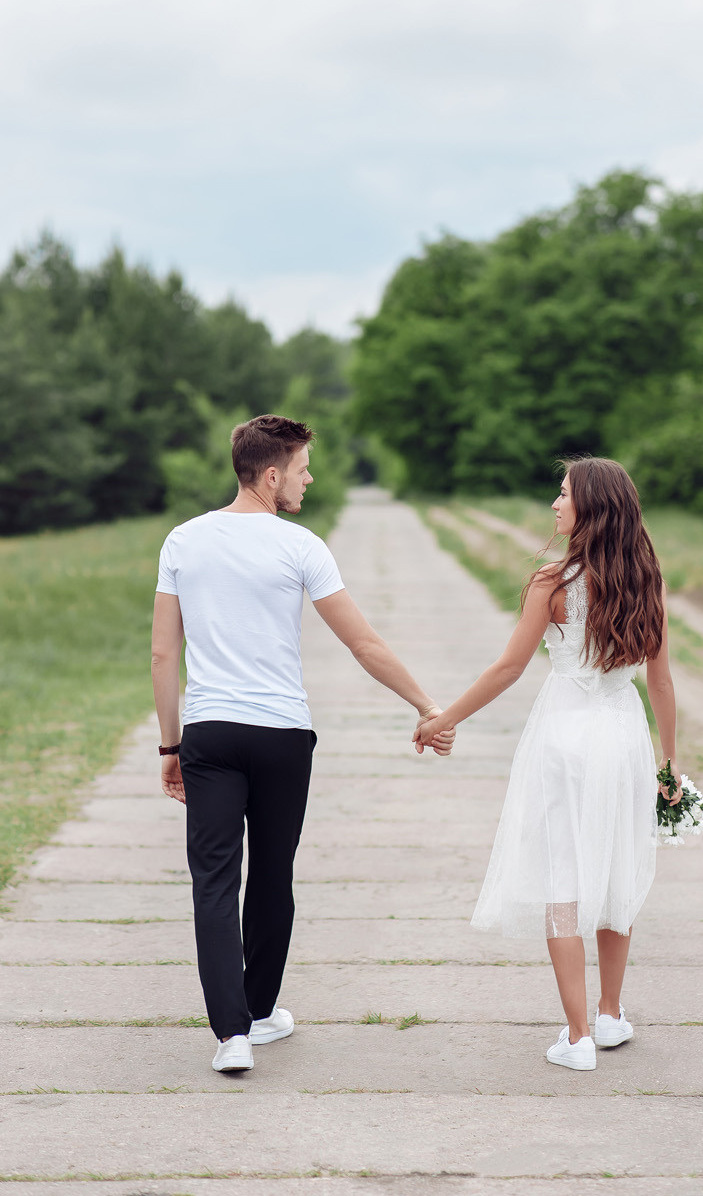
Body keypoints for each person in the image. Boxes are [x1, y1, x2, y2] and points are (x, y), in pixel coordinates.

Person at [152, 413, 454, 1076]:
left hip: (210, 733)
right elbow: (363, 643)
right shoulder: (301, 547)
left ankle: (230, 1035)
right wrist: (426, 705)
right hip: (282, 735)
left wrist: (169, 748)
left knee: (212, 879)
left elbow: (160, 653)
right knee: (271, 873)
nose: (308, 478)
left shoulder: (182, 541)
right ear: (270, 474)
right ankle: (258, 1015)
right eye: (301, 468)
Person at [416, 456, 679, 1071]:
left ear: (591, 508)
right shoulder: (648, 579)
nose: (554, 505)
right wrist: (668, 764)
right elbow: (661, 683)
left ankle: (579, 1034)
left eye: (563, 495)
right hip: (623, 736)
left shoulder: (552, 583)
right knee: (617, 867)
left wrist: (443, 718)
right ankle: (611, 1014)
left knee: (566, 875)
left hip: (565, 736)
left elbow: (507, 669)